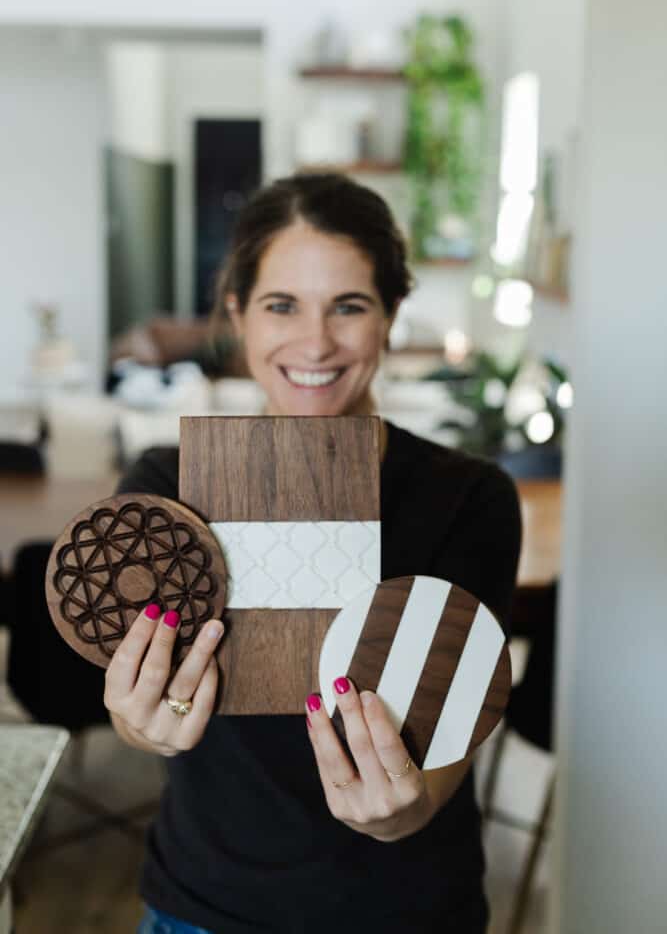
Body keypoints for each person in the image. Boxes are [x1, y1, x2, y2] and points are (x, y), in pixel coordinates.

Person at [107, 173, 521, 934]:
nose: (316, 342)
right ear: (236, 312)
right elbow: (144, 707)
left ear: (391, 317)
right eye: (281, 305)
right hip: (205, 908)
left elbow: (455, 725)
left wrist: (403, 812)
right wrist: (141, 723)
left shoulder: (470, 497)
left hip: (407, 911)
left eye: (350, 306)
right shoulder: (165, 489)